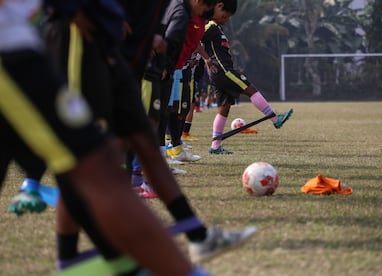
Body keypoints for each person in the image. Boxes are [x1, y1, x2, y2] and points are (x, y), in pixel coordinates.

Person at [0, 1, 208, 274]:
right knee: (94, 165)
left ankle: (111, 261)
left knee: (95, 164)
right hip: (20, 49)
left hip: (33, 44)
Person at [44, 0, 256, 268]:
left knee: (145, 143)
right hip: (87, 50)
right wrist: (78, 12)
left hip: (130, 64)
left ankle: (198, 236)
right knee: (85, 160)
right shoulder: (180, 9)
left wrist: (151, 35)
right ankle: (75, 257)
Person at [201, 0, 294, 154]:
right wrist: (205, 58)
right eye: (224, 16)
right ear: (217, 7)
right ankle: (275, 119)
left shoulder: (218, 28)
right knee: (251, 90)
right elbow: (194, 39)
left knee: (224, 109)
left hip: (219, 73)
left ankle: (215, 147)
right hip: (224, 71)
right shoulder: (210, 27)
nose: (226, 20)